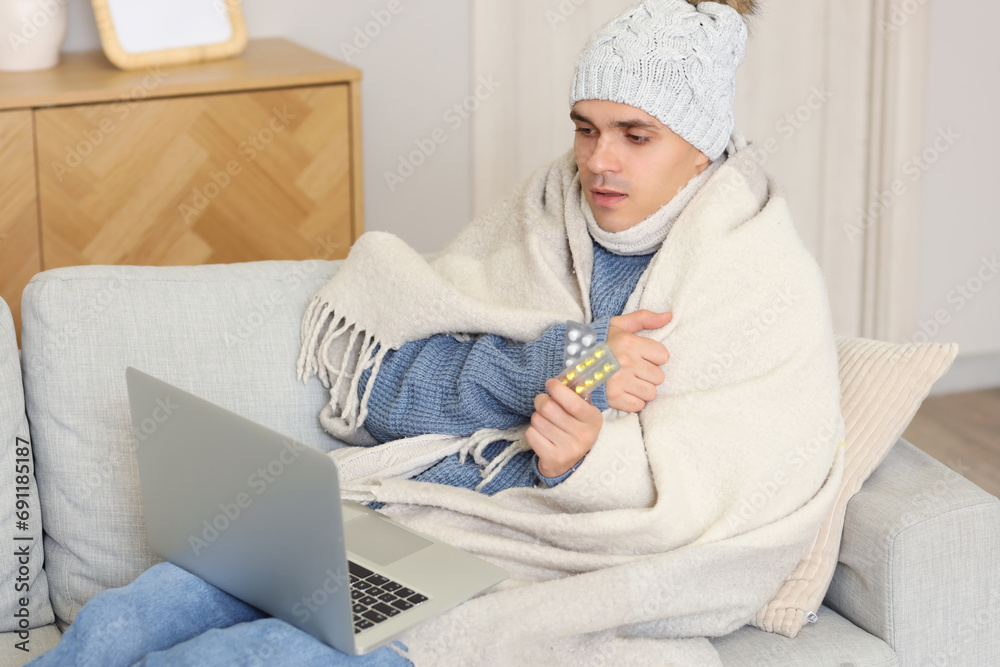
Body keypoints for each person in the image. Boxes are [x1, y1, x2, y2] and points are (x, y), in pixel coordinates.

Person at [29, 0, 829, 664]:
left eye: (635, 134)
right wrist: (569, 359)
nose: (599, 161)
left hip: (528, 566)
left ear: (703, 145)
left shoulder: (757, 275)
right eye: (586, 128)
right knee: (127, 616)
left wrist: (587, 459)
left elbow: (732, 503)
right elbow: (392, 394)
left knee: (240, 657)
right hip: (413, 510)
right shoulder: (544, 215)